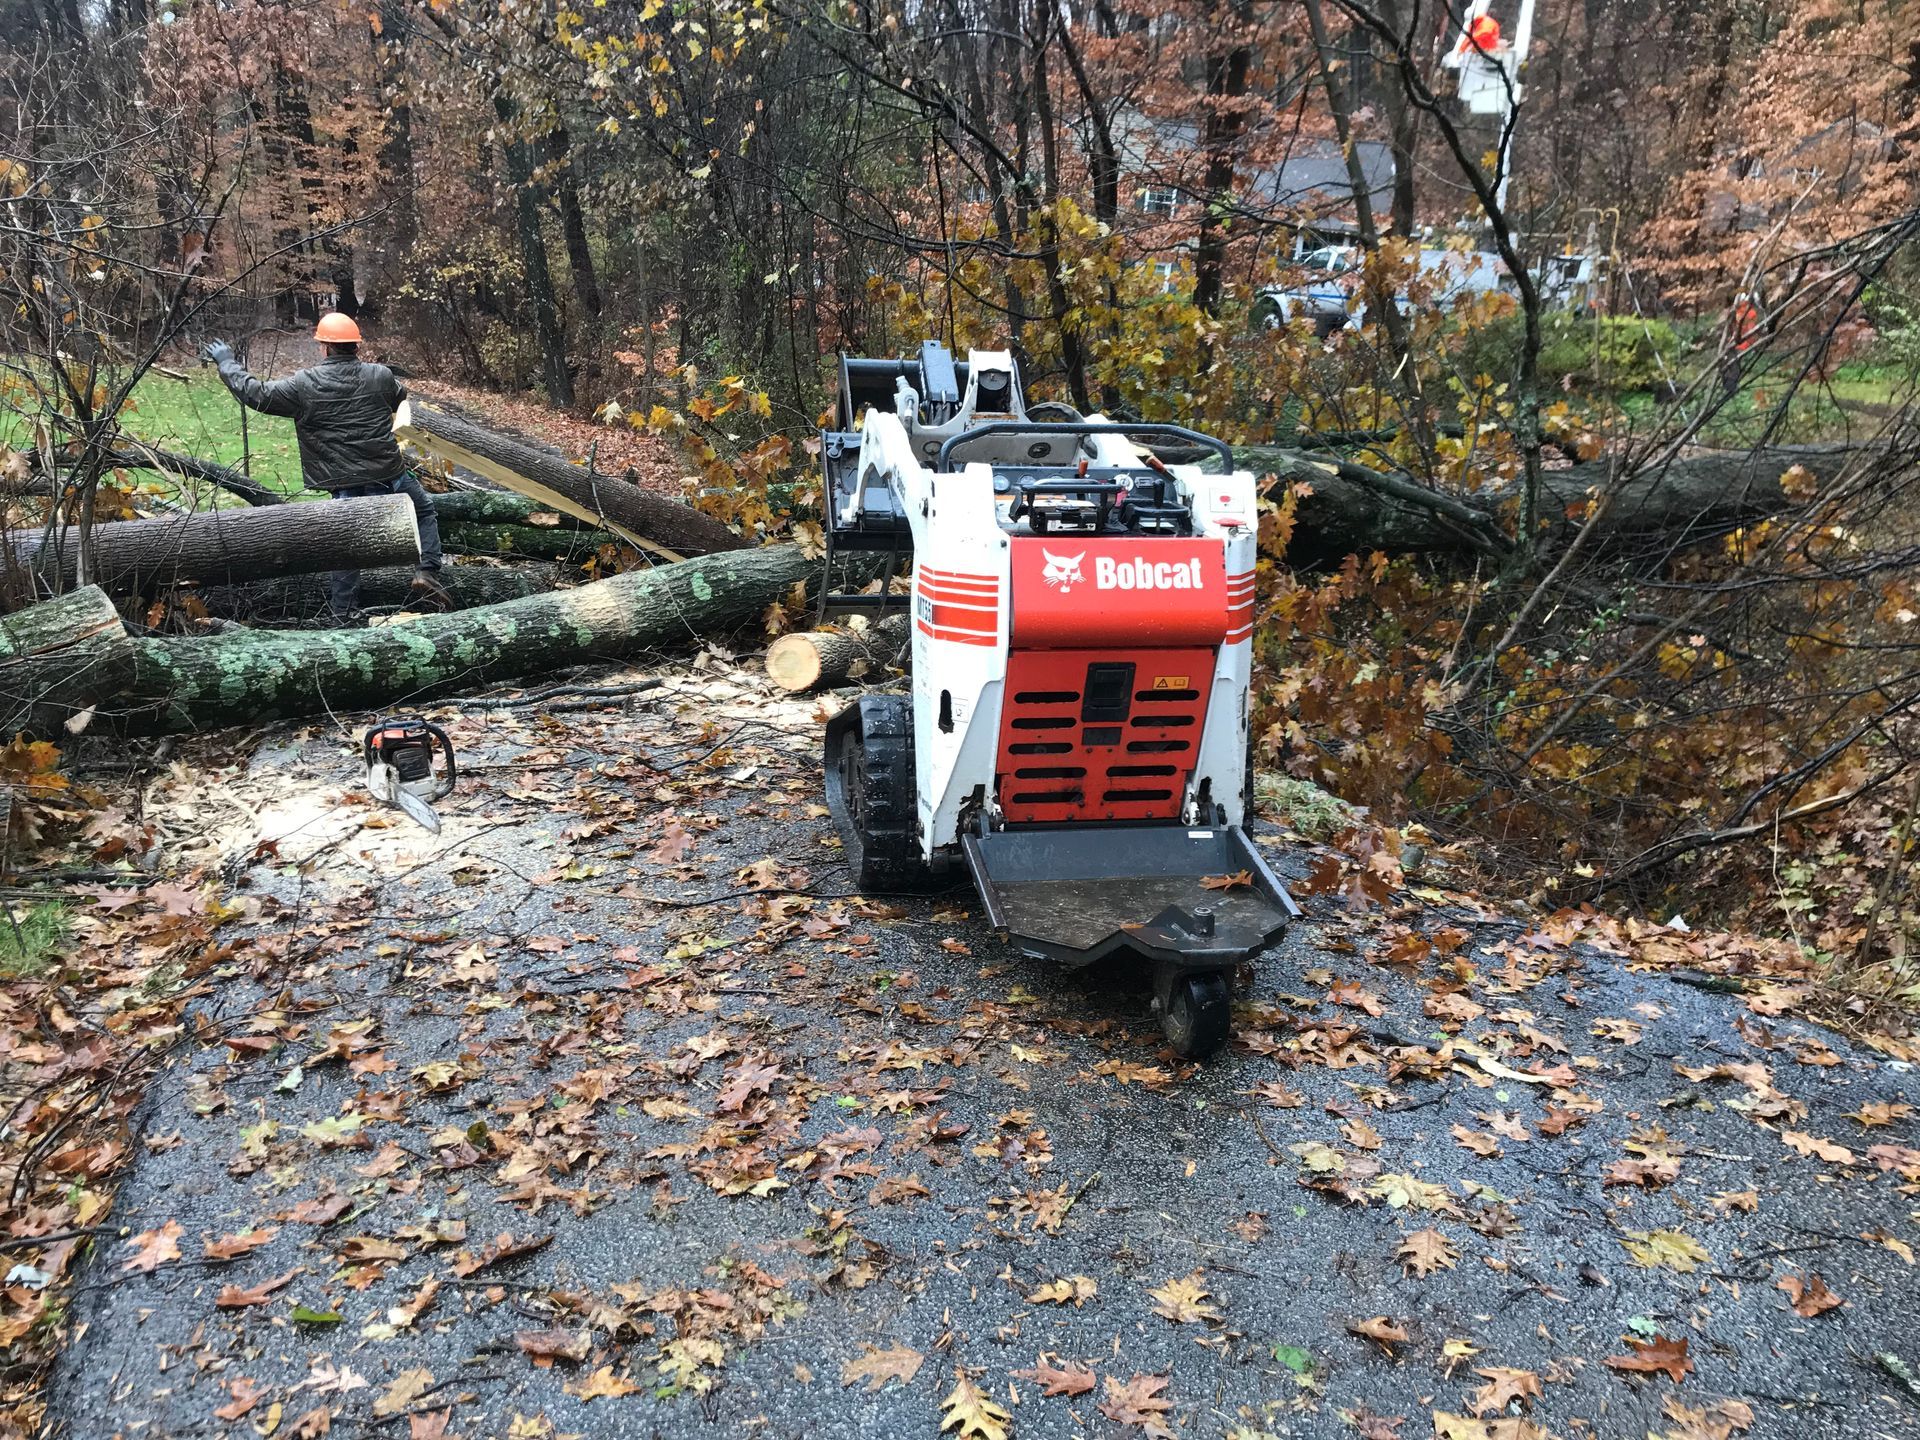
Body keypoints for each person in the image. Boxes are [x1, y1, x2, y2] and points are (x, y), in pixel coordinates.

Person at [204, 313, 450, 619]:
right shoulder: (381, 375)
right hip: (390, 476)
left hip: (345, 485)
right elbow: (400, 396)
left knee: (345, 548)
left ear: (324, 347)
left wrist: (226, 361)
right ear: (356, 346)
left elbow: (257, 395)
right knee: (423, 509)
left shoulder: (303, 384)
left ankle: (343, 616)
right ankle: (426, 571)